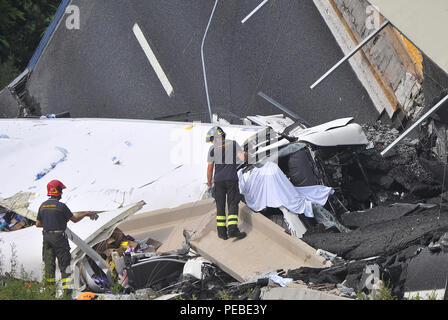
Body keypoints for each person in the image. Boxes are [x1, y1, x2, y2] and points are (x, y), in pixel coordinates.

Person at [36, 179, 97, 297]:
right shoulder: (61, 206)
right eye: (61, 190)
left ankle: (50, 294)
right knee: (65, 267)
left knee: (49, 266)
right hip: (59, 238)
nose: (62, 193)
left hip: (47, 238)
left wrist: (50, 224)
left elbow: (38, 224)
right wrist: (86, 214)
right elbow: (74, 220)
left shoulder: (42, 206)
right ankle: (67, 294)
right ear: (57, 191)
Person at [206, 126, 247, 240]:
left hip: (218, 181)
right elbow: (243, 158)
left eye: (211, 139)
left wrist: (209, 183)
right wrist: (247, 153)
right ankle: (233, 230)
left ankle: (222, 233)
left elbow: (210, 168)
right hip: (231, 179)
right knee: (232, 204)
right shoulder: (233, 144)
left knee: (220, 205)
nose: (211, 141)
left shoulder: (212, 149)